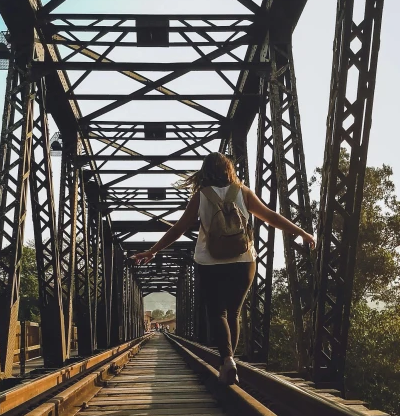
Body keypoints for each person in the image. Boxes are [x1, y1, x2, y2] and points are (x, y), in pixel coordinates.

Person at [133, 153, 315, 385]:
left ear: (204, 172)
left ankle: (227, 359)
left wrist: (153, 251)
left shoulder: (201, 196)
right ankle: (230, 361)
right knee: (234, 313)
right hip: (244, 260)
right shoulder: (243, 192)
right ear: (229, 169)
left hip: (210, 262)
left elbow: (178, 229)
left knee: (217, 313)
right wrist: (301, 232)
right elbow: (270, 217)